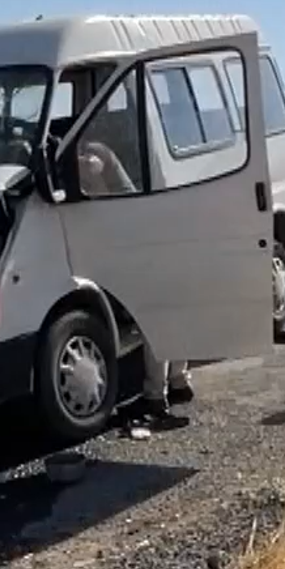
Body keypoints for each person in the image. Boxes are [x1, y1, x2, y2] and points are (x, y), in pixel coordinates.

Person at [77, 140, 192, 429]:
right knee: (171, 314)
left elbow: (92, 165)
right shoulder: (116, 180)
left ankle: (156, 396)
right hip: (148, 240)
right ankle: (178, 381)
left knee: (156, 318)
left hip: (142, 243)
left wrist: (64, 162)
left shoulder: (96, 154)